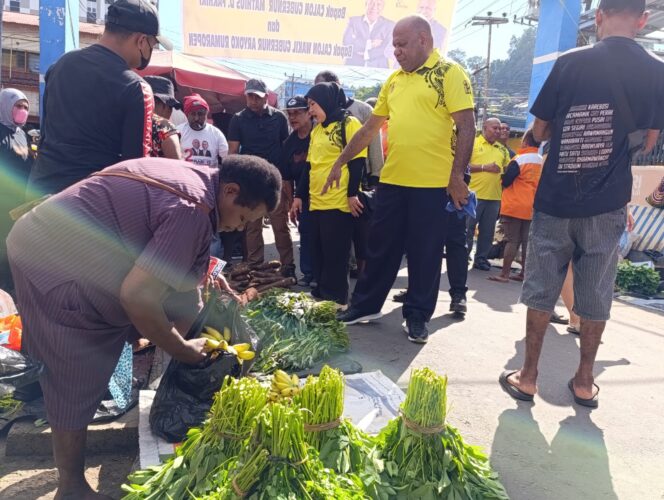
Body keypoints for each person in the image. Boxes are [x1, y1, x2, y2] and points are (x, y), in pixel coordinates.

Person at [8, 155, 281, 500]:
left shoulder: (199, 181)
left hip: (53, 236)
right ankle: (71, 487)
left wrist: (205, 275)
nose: (240, 228)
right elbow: (137, 296)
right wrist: (180, 348)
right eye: (243, 217)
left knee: (164, 304)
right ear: (230, 191)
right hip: (53, 256)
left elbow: (169, 260)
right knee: (75, 364)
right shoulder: (192, 210)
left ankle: (44, 394)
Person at [499, 0, 664, 409]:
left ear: (600, 17)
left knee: (541, 288)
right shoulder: (657, 72)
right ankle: (585, 381)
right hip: (608, 203)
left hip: (556, 199)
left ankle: (529, 377)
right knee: (596, 291)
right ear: (642, 20)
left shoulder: (571, 62)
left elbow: (539, 129)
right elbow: (649, 140)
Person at [326, 15, 476, 343]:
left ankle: (418, 315)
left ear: (423, 39)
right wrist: (341, 160)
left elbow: (467, 125)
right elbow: (369, 128)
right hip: (393, 180)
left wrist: (456, 177)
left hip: (433, 183)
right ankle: (365, 305)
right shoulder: (393, 81)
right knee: (380, 246)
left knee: (425, 252)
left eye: (402, 44)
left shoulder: (449, 73)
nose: (396, 51)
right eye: (394, 44)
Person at [26, 0, 171, 198]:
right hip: (89, 206)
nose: (150, 52)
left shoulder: (60, 65)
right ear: (141, 41)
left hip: (38, 196)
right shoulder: (136, 88)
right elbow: (135, 170)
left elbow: (46, 135)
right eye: (153, 45)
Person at [290, 83, 367, 306]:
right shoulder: (317, 130)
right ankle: (322, 293)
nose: (311, 111)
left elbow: (357, 161)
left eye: (313, 105)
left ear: (326, 100)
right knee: (317, 251)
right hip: (316, 202)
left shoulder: (349, 123)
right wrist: (298, 195)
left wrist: (352, 194)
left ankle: (337, 299)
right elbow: (309, 166)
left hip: (339, 202)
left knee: (336, 254)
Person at [228, 79, 294, 276]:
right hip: (251, 181)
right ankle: (256, 267)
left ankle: (288, 266)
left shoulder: (279, 119)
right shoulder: (238, 119)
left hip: (275, 179)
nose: (253, 100)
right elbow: (232, 152)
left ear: (266, 96)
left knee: (280, 225)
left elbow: (286, 148)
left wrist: (288, 182)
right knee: (252, 227)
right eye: (250, 95)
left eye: (257, 96)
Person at [489, 130, 543, 283]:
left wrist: (501, 176)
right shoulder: (541, 160)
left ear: (525, 141)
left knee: (512, 240)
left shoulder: (519, 159)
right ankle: (524, 274)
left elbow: (506, 181)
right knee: (527, 242)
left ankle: (504, 274)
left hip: (515, 205)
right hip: (531, 206)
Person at [467, 117, 511, 271]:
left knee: (487, 232)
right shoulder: (473, 143)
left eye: (499, 128)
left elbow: (508, 171)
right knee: (468, 228)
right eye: (494, 128)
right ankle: (462, 257)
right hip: (473, 195)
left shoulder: (502, 150)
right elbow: (463, 166)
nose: (498, 131)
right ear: (484, 127)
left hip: (494, 197)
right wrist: (485, 167)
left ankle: (481, 259)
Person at [0, 89, 33, 295]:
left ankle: (11, 287)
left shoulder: (22, 134)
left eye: (25, 107)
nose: (22, 111)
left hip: (19, 202)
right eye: (18, 106)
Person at [282, 96, 314, 285]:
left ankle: (324, 274)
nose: (292, 118)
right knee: (306, 234)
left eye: (297, 113)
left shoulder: (319, 134)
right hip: (302, 199)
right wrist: (291, 202)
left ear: (309, 113)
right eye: (290, 114)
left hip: (325, 194)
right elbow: (286, 177)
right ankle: (308, 272)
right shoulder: (289, 143)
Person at [178, 94, 228, 167]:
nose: (196, 118)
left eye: (200, 114)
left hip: (209, 177)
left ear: (206, 114)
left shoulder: (216, 133)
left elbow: (226, 158)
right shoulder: (178, 131)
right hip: (186, 176)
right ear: (187, 115)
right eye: (193, 114)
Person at [342, 0, 395, 68]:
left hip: (379, 69)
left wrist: (367, 54)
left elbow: (388, 47)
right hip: (353, 67)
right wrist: (371, 44)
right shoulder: (353, 21)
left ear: (382, 7)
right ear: (366, 4)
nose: (374, 7)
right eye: (371, 3)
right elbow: (347, 42)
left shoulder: (389, 25)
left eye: (378, 4)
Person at [143, 75, 182, 159]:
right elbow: (177, 165)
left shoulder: (126, 120)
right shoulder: (164, 127)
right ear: (157, 102)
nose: (170, 111)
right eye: (170, 106)